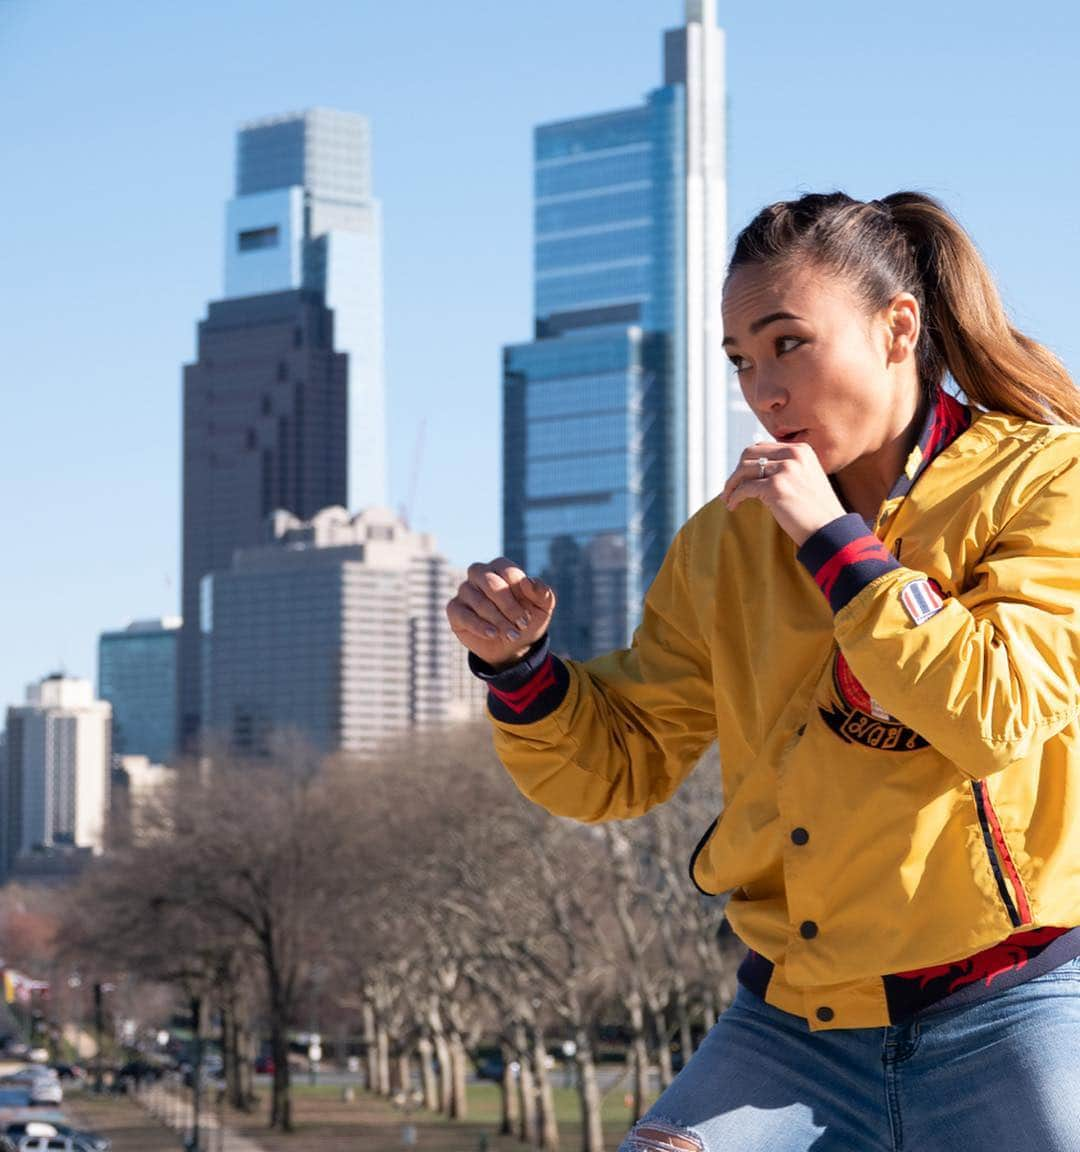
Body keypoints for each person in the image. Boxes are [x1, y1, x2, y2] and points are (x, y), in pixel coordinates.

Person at [445, 191, 1080, 1150]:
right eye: (742, 360)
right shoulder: (726, 541)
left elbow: (995, 708)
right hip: (796, 1027)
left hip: (1018, 1002)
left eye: (789, 344)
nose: (762, 389)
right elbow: (621, 765)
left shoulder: (1046, 478)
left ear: (896, 327)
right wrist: (520, 668)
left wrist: (833, 540)